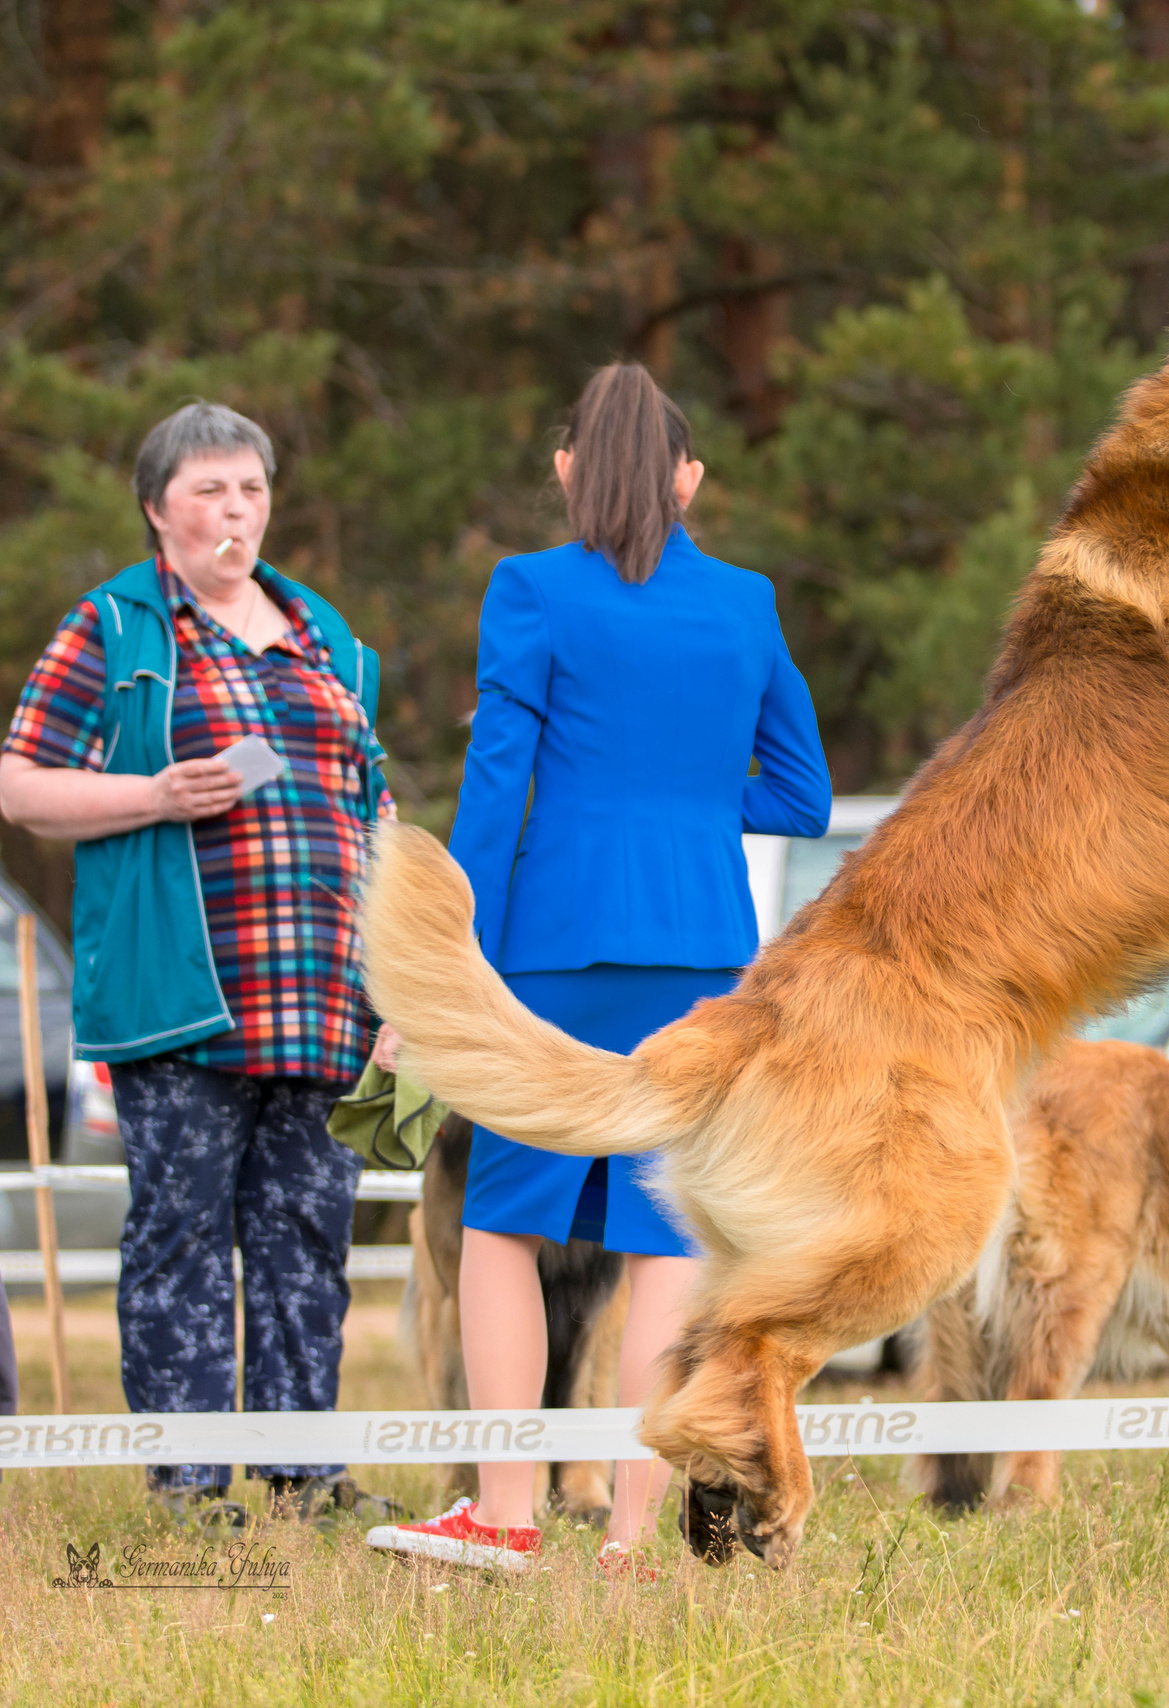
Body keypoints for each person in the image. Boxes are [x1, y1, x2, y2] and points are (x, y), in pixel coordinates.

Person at [369, 365, 829, 1575]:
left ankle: (505, 1514)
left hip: (554, 953)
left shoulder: (529, 590)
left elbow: (493, 792)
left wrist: (448, 966)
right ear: (689, 479)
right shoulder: (746, 602)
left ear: (568, 469)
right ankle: (630, 1538)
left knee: (502, 1226)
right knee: (664, 1244)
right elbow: (801, 793)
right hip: (702, 957)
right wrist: (688, 803)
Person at [0, 402, 400, 1529]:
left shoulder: (327, 635)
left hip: (323, 997)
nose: (236, 510)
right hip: (181, 993)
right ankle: (188, 1484)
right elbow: (20, 784)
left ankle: (302, 1477)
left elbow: (372, 804)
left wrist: (398, 979)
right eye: (210, 490)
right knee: (180, 1235)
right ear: (157, 509)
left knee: (307, 1237)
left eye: (252, 489)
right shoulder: (114, 628)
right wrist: (154, 793)